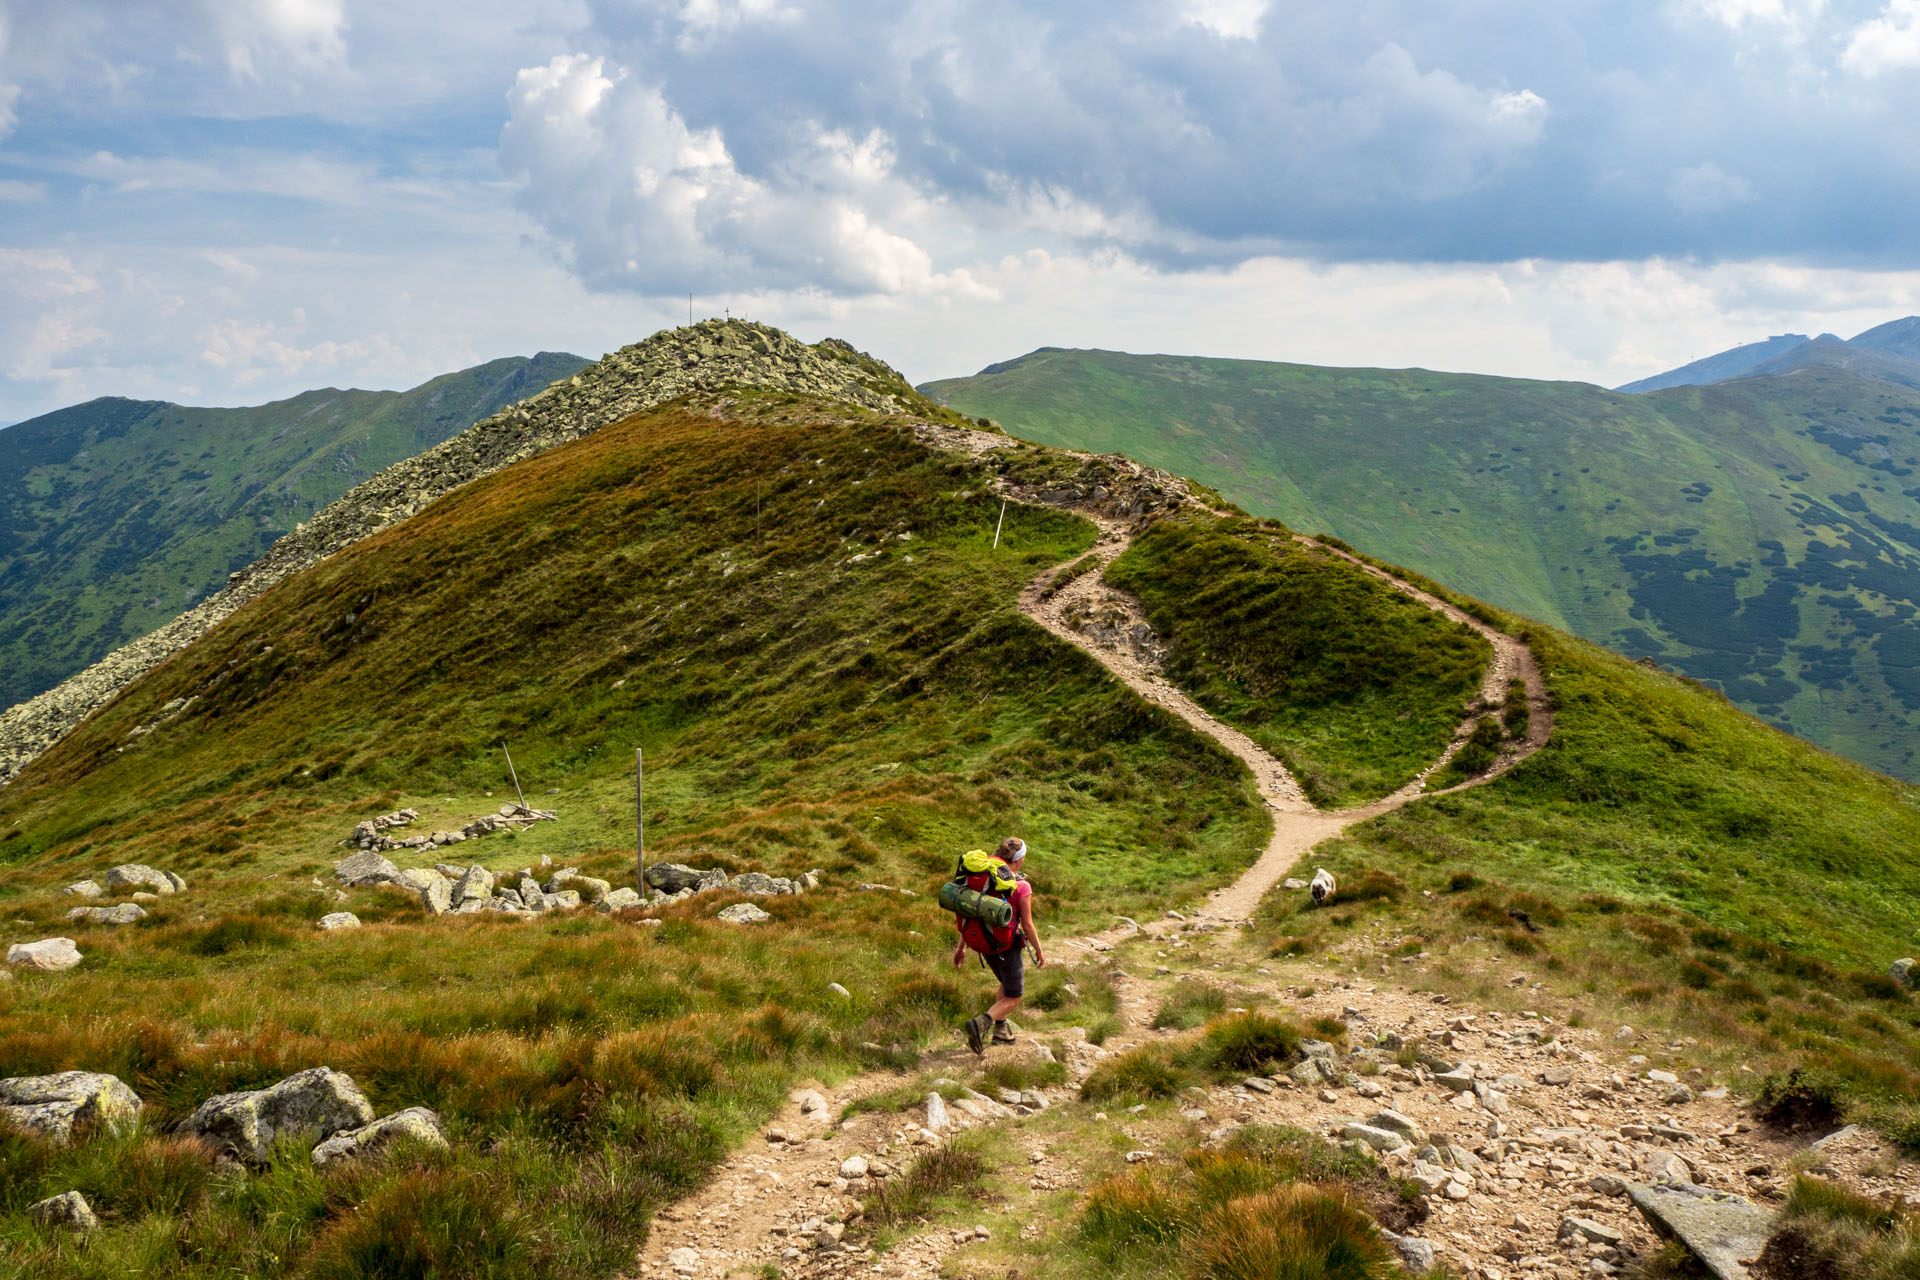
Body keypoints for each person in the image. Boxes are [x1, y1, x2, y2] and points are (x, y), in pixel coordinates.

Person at [954, 836, 1045, 1053]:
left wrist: (961, 947)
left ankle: (1001, 1032)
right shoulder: (1021, 886)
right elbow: (1029, 925)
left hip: (984, 944)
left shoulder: (984, 881)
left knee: (1006, 982)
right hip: (1007, 946)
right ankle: (981, 1023)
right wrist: (1039, 950)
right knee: (1014, 997)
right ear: (1019, 860)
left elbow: (972, 913)